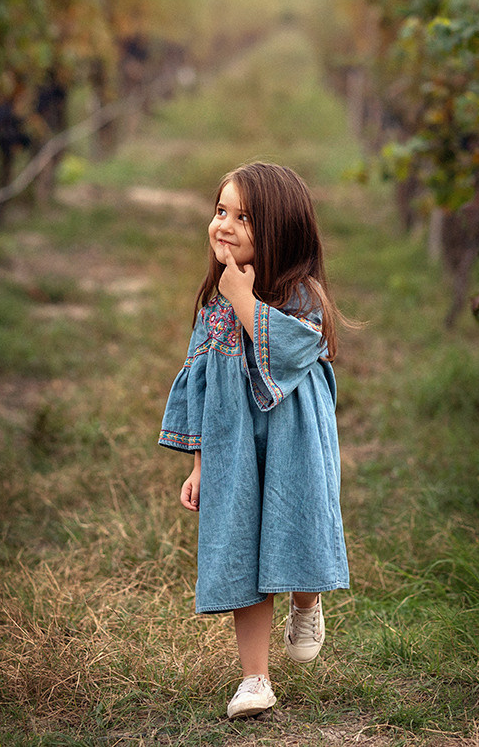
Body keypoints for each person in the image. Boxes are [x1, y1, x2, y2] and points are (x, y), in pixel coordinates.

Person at [158, 161, 349, 719]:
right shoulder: (212, 306)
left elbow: (289, 354)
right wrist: (200, 464)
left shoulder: (301, 296)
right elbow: (197, 382)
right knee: (242, 543)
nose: (225, 224)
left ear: (281, 230)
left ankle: (307, 600)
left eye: (244, 217)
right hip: (232, 443)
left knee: (295, 531)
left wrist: (243, 296)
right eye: (221, 211)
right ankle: (254, 678)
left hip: (294, 443)